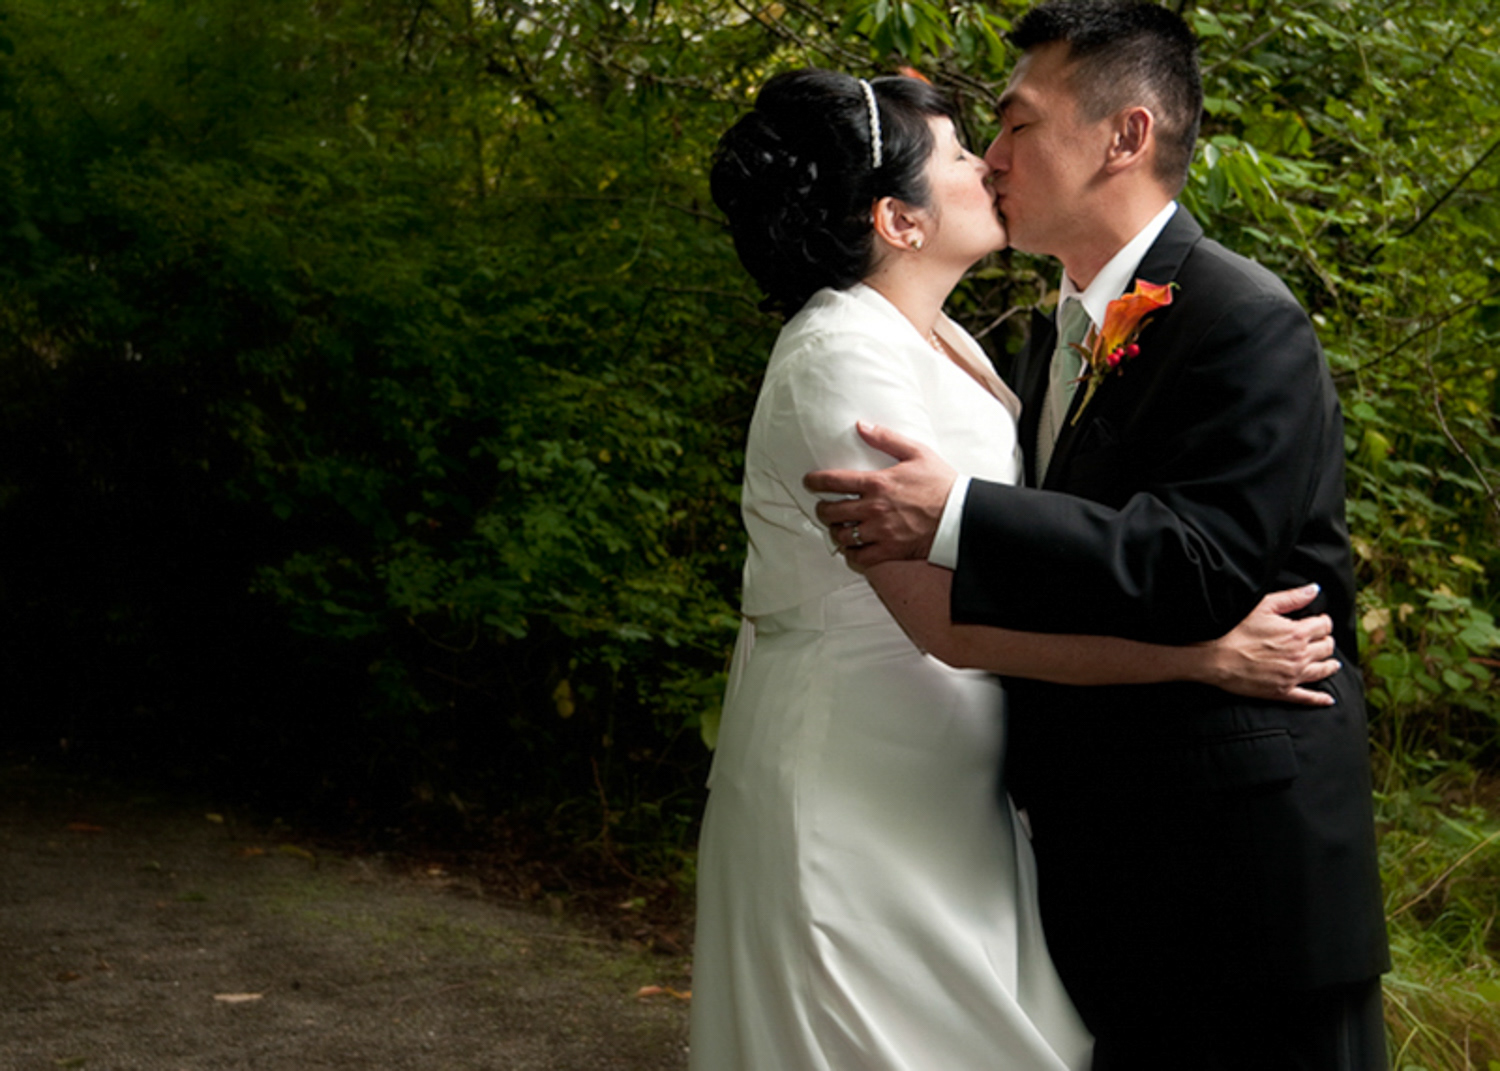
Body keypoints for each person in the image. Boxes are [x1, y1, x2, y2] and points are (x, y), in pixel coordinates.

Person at [693, 66, 1342, 1071]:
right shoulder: (840, 362)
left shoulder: (955, 337)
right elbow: (942, 626)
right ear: (898, 220)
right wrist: (1202, 658)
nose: (990, 164)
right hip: (856, 780)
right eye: (959, 154)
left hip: (953, 787)